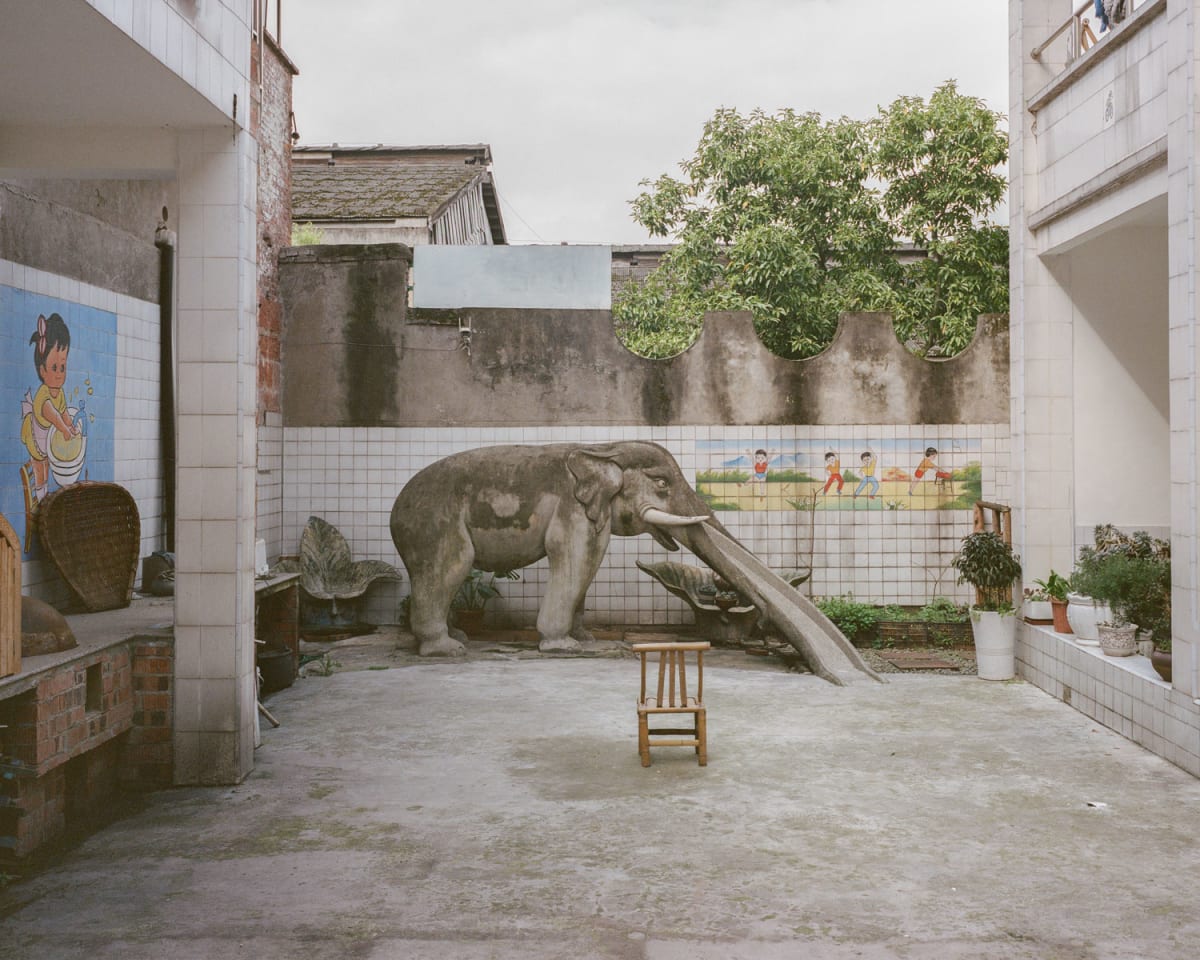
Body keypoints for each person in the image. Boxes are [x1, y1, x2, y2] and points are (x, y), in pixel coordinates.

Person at [21, 313, 76, 501]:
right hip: (35, 438)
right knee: (40, 470)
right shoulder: (43, 395)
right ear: (42, 370)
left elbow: (64, 413)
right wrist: (64, 428)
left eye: (63, 367)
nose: (59, 374)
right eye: (54, 368)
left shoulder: (59, 393)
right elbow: (53, 415)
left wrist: (71, 426)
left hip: (47, 439)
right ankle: (41, 502)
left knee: (47, 465)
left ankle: (44, 499)